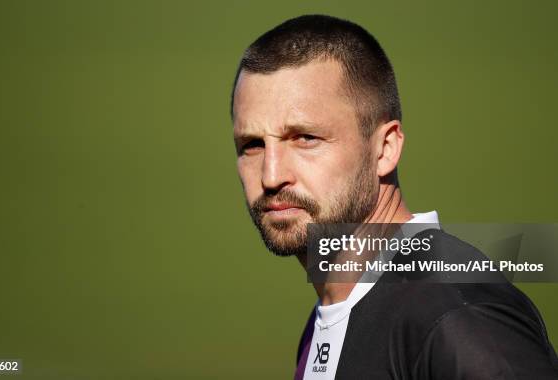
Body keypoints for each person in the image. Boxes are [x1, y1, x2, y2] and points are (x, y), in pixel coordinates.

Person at [230, 14, 558, 379]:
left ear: (384, 148)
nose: (272, 176)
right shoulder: (336, 312)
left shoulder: (455, 316)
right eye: (252, 145)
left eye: (306, 138)